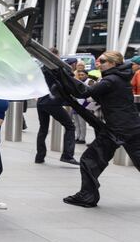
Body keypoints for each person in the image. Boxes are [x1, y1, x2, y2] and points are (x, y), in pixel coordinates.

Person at [58, 51, 140, 207]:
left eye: (102, 61)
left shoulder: (111, 80)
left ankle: (87, 196)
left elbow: (83, 92)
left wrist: (63, 75)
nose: (98, 63)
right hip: (132, 126)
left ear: (113, 63)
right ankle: (87, 195)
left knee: (89, 160)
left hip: (117, 129)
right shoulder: (120, 78)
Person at [35, 49, 78, 165]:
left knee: (43, 129)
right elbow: (68, 81)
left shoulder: (42, 67)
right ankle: (67, 155)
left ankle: (39, 156)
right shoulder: (56, 68)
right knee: (70, 126)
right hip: (52, 102)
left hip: (42, 101)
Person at [72, 69, 90, 143]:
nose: (80, 76)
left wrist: (85, 105)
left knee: (82, 123)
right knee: (76, 122)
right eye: (79, 75)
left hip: (84, 105)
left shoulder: (89, 82)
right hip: (76, 103)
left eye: (82, 75)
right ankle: (77, 136)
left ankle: (82, 138)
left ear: (86, 75)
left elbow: (90, 96)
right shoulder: (78, 82)